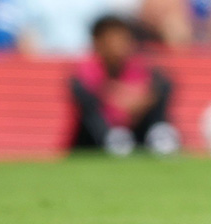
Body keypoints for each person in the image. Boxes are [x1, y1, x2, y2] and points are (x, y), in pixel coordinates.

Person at [68, 15, 178, 156]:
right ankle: (113, 139)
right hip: (95, 140)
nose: (117, 45)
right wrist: (116, 96)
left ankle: (159, 135)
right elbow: (86, 98)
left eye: (122, 39)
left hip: (138, 132)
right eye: (110, 40)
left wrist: (142, 100)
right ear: (97, 43)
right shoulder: (83, 74)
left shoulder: (144, 70)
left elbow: (164, 86)